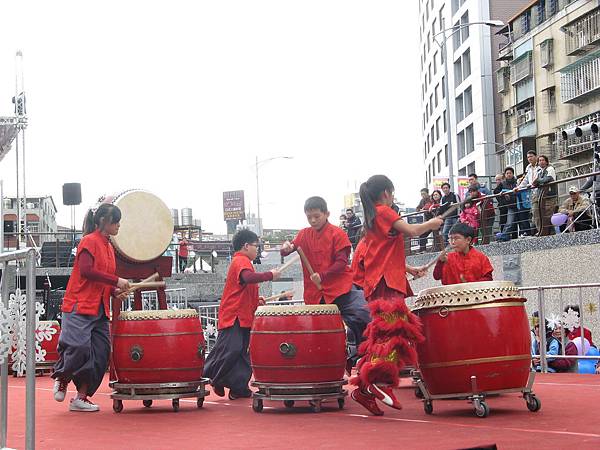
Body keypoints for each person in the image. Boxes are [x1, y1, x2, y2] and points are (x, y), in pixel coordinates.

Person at [350, 175, 442, 416]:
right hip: (385, 283)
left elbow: (381, 252)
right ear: (387, 193)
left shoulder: (373, 216)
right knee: (394, 334)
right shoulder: (384, 212)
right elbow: (412, 230)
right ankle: (378, 384)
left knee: (385, 334)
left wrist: (409, 269)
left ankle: (366, 387)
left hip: (383, 280)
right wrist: (431, 224)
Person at [52, 204, 131, 412]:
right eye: (116, 221)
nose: (118, 225)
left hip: (99, 308)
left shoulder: (109, 247)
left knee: (100, 353)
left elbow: (102, 282)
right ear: (105, 221)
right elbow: (87, 271)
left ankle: (81, 397)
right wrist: (116, 280)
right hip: (80, 304)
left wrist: (115, 291)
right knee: (78, 347)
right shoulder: (89, 241)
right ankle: (63, 376)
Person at [280, 196, 371, 373]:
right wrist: (285, 248)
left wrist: (323, 276)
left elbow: (341, 262)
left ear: (326, 213)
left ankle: (364, 356)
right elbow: (288, 249)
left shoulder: (338, 233)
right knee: (320, 334)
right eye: (309, 217)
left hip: (340, 290)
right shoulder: (304, 234)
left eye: (316, 216)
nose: (313, 220)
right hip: (316, 296)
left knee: (364, 314)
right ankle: (326, 369)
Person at [204, 230, 281, 399]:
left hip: (243, 315)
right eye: (256, 246)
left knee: (242, 352)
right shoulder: (241, 260)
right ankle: (214, 376)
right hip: (235, 315)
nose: (257, 250)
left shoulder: (243, 261)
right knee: (231, 349)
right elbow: (248, 278)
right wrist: (270, 275)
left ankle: (238, 387)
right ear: (246, 246)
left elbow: (244, 286)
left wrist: (256, 299)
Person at [516, 150, 542, 235]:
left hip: (541, 191)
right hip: (533, 194)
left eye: (531, 156)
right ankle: (540, 230)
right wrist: (518, 188)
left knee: (541, 213)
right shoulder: (529, 168)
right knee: (535, 213)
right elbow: (525, 180)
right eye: (528, 157)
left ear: (536, 156)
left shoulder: (540, 166)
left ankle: (543, 231)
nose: (529, 158)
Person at [533, 155, 558, 236]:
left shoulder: (550, 169)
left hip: (549, 196)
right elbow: (536, 183)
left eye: (543, 160)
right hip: (541, 196)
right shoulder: (539, 171)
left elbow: (548, 179)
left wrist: (538, 181)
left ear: (546, 161)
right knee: (538, 214)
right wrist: (538, 181)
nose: (541, 162)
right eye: (539, 160)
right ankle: (541, 231)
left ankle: (550, 232)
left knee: (548, 215)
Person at [493, 167, 518, 240]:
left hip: (518, 203)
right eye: (507, 173)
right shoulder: (503, 183)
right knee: (508, 222)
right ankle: (503, 236)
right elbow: (496, 191)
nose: (509, 174)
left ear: (513, 174)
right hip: (507, 205)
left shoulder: (517, 182)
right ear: (505, 175)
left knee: (518, 221)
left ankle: (516, 236)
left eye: (510, 173)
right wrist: (503, 196)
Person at [469, 173, 495, 244]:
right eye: (470, 192)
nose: (472, 193)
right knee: (481, 231)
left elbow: (490, 200)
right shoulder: (470, 198)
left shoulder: (483, 193)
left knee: (487, 231)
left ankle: (488, 244)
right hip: (478, 217)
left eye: (473, 191)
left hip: (489, 215)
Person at [416, 188, 433, 252]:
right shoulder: (422, 200)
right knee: (422, 233)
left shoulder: (431, 198)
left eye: (424, 194)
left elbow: (432, 206)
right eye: (421, 194)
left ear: (427, 193)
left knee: (436, 234)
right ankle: (422, 250)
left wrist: (425, 208)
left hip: (434, 219)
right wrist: (420, 209)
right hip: (427, 221)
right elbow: (417, 208)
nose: (423, 195)